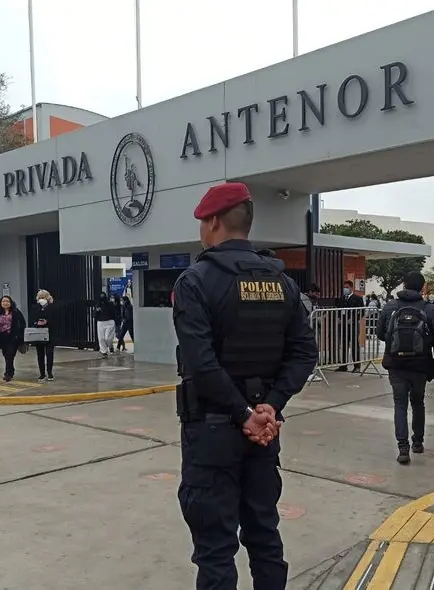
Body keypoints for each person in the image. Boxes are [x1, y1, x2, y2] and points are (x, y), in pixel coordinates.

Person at [173, 182, 318, 590]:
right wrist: (269, 406)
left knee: (216, 551)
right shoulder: (282, 282)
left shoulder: (195, 281)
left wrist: (242, 415)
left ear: (214, 221)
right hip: (263, 433)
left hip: (213, 431)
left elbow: (201, 363)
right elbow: (305, 353)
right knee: (264, 536)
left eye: (203, 222)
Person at [375, 271, 434, 465]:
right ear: (422, 287)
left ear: (403, 285)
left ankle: (403, 448)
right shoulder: (428, 308)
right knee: (418, 402)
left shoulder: (390, 306)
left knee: (400, 404)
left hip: (395, 364)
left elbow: (380, 333)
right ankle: (418, 441)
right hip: (420, 364)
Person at [0, 295, 26, 382]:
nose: (5, 303)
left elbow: (22, 323)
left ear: (11, 303)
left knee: (10, 354)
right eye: (3, 301)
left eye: (7, 301)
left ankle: (8, 374)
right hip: (2, 337)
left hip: (13, 337)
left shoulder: (15, 312)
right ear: (1, 303)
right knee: (6, 355)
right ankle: (11, 370)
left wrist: (21, 335)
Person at [335, 280, 365, 372]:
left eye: (347, 287)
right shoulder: (341, 298)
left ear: (351, 288)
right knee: (343, 345)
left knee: (354, 345)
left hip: (353, 325)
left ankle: (357, 366)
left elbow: (362, 312)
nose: (345, 289)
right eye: (344, 287)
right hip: (343, 325)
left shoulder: (358, 298)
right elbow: (339, 310)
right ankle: (343, 365)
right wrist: (339, 317)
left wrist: (353, 319)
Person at [30, 290, 57, 382]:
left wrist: (47, 321)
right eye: (40, 297)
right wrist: (36, 322)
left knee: (49, 354)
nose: (42, 299)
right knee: (40, 354)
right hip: (39, 333)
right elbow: (32, 318)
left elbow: (56, 319)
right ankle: (42, 374)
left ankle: (50, 372)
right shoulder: (35, 307)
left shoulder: (52, 308)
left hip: (49, 333)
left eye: (44, 297)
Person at [95, 292, 118, 357]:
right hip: (101, 322)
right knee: (101, 338)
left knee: (108, 338)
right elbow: (94, 315)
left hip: (109, 322)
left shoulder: (110, 304)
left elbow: (114, 313)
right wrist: (97, 311)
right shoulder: (98, 305)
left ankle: (110, 346)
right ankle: (104, 352)